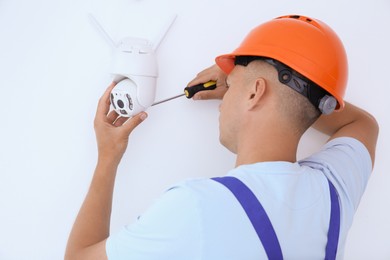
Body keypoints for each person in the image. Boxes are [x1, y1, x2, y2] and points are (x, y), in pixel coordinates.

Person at [65, 15, 379, 259]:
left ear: (256, 93)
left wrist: (108, 157)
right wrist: (296, 93)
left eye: (233, 82)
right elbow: (363, 124)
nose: (225, 92)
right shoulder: (334, 191)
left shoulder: (196, 208)